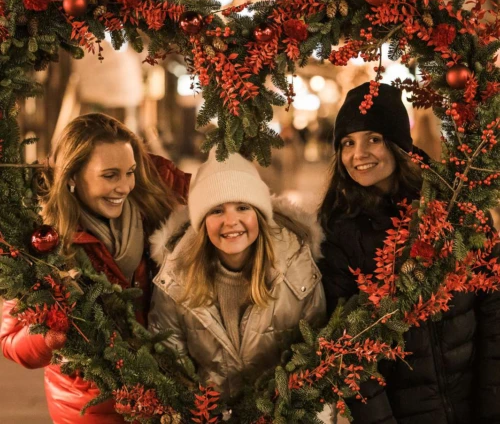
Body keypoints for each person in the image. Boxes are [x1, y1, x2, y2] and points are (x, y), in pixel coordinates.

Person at [318, 82, 500, 424]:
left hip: (474, 400)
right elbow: (349, 352)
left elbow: (493, 306)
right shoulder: (339, 234)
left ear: (399, 144)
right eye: (347, 143)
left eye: (373, 138)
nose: (358, 154)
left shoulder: (454, 207)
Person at [0, 113, 191, 424]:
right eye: (110, 175)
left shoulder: (149, 209)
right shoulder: (42, 242)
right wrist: (51, 332)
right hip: (88, 403)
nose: (124, 186)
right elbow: (11, 342)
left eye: (130, 172)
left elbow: (215, 193)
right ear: (72, 176)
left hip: (161, 391)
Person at [148, 150, 326, 406]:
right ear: (202, 222)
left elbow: (315, 357)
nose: (231, 221)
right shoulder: (176, 276)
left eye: (243, 207)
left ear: (259, 215)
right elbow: (169, 361)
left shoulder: (295, 267)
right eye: (217, 211)